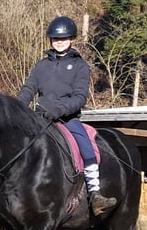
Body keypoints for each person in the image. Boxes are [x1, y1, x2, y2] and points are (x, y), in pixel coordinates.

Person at [16, 15, 117, 217]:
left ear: (71, 39)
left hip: (67, 118)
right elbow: (29, 88)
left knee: (87, 150)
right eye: (55, 39)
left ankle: (95, 195)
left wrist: (59, 110)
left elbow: (80, 97)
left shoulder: (80, 66)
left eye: (63, 38)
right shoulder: (42, 65)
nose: (59, 42)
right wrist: (17, 107)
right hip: (40, 117)